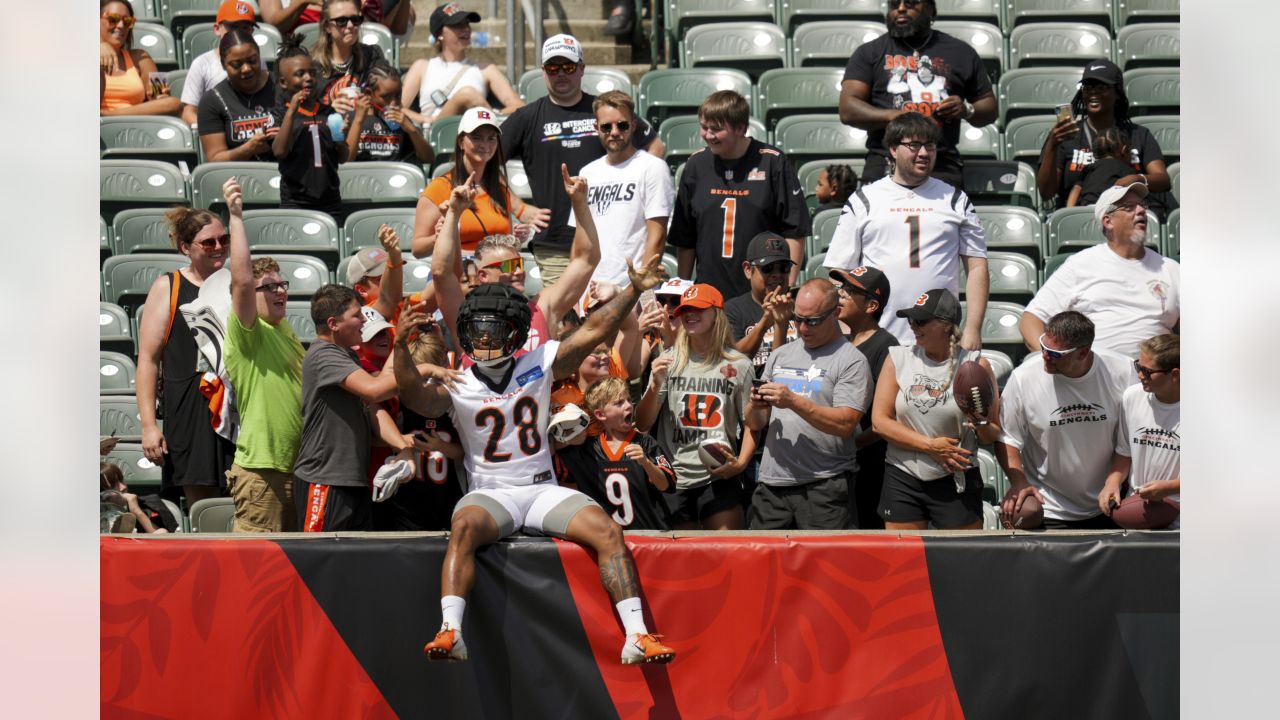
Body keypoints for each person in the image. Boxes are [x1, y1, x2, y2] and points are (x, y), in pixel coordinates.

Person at [392, 223, 676, 665]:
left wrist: (632, 292)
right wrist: (399, 346)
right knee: (463, 527)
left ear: (515, 330)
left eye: (492, 329)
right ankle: (451, 629)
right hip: (491, 492)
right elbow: (414, 396)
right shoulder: (458, 379)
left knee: (607, 531)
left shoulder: (539, 361)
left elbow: (594, 329)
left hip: (542, 487)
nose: (482, 339)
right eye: (476, 329)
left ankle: (637, 634)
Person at [501, 34, 664, 286]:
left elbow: (655, 147)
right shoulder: (526, 117)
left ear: (582, 69)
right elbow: (484, 165)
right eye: (553, 68)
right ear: (543, 72)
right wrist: (520, 207)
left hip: (606, 243)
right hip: (556, 243)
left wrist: (627, 193)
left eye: (568, 67)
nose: (561, 74)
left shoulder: (605, 111)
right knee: (564, 322)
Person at [825, 112, 988, 348]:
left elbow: (977, 266)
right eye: (914, 145)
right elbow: (840, 270)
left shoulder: (955, 199)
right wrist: (844, 327)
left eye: (929, 145)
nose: (923, 153)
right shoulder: (864, 199)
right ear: (893, 149)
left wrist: (973, 328)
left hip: (938, 338)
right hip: (875, 337)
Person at [293, 285, 430, 531]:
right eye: (357, 315)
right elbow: (375, 390)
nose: (364, 319)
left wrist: (402, 446)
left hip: (352, 481)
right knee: (324, 562)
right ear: (333, 324)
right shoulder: (323, 355)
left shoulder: (346, 355)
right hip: (324, 480)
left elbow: (373, 409)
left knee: (354, 563)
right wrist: (425, 369)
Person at [431, 164, 600, 353]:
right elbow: (440, 272)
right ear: (483, 275)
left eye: (519, 264)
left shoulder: (541, 309)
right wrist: (454, 213)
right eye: (509, 266)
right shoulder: (465, 315)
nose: (520, 272)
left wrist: (579, 203)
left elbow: (586, 260)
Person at [745, 279, 872, 529]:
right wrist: (757, 407)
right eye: (798, 319)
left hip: (824, 485)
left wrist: (792, 401)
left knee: (828, 566)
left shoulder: (851, 361)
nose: (803, 328)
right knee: (765, 565)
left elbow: (845, 424)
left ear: (836, 313)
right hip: (773, 483)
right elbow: (755, 423)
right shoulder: (781, 354)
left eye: (812, 320)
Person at [871, 288, 1000, 530]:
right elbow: (880, 422)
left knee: (961, 562)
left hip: (955, 476)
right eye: (910, 320)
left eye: (920, 321)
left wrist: (980, 420)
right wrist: (930, 446)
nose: (913, 327)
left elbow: (992, 434)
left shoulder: (975, 364)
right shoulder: (899, 358)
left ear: (945, 325)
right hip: (903, 473)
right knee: (903, 561)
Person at [135, 206, 236, 508]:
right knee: (206, 510)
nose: (219, 247)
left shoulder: (239, 284)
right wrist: (149, 426)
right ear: (185, 248)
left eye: (224, 239)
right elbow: (148, 360)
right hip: (191, 410)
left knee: (244, 507)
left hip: (238, 405)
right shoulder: (169, 286)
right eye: (208, 242)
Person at [838, 0, 996, 188]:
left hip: (942, 165)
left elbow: (989, 108)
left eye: (911, 3)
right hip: (885, 163)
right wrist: (897, 116)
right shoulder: (870, 52)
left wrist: (966, 109)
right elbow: (848, 109)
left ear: (931, 10)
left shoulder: (960, 52)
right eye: (894, 4)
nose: (901, 8)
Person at [668, 90, 810, 299]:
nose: (708, 135)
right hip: (709, 292)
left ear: (740, 128)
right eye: (704, 127)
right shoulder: (696, 165)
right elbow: (686, 236)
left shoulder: (772, 162)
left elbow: (794, 230)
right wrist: (683, 286)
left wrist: (786, 285)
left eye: (716, 129)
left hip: (761, 293)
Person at [635, 284, 755, 530]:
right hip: (674, 476)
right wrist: (656, 384)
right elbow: (643, 423)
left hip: (719, 475)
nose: (689, 315)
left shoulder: (739, 365)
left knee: (725, 556)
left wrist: (741, 463)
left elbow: (753, 423)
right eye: (685, 310)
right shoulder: (667, 361)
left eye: (698, 309)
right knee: (682, 562)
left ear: (717, 314)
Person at [223, 176, 306, 532]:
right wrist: (237, 218)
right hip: (261, 474)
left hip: (295, 470)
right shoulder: (248, 334)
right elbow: (242, 280)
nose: (280, 292)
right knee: (257, 577)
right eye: (268, 287)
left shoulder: (285, 329)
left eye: (282, 284)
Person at [998, 311, 1132, 530]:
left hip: (1109, 499)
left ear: (1083, 353)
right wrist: (1019, 482)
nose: (1044, 356)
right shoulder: (1024, 378)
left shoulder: (1122, 370)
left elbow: (1129, 437)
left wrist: (1114, 479)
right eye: (1043, 347)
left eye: (1055, 354)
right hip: (1049, 504)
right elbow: (1007, 437)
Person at [1020, 183, 1180, 359]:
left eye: (1143, 205)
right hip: (1094, 376)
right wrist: (1055, 360)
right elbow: (1031, 319)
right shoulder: (1081, 264)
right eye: (1129, 207)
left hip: (1155, 378)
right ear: (1108, 221)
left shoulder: (1170, 269)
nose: (1141, 210)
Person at [1036, 58, 1175, 218]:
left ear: (1117, 93)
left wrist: (1135, 179)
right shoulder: (1065, 136)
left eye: (1102, 87)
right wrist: (1052, 145)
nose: (1093, 93)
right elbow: (1046, 193)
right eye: (1088, 87)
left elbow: (1163, 180)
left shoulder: (1138, 135)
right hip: (1080, 218)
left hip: (1128, 216)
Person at [569, 91, 674, 290]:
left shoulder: (653, 168)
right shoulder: (587, 173)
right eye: (606, 127)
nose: (614, 132)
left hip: (629, 289)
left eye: (622, 125)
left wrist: (637, 291)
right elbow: (579, 239)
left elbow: (657, 237)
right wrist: (574, 290)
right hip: (589, 289)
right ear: (596, 128)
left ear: (633, 125)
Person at [374, 315, 468, 531]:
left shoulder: (455, 395)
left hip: (447, 498)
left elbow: (465, 452)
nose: (425, 384)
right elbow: (380, 386)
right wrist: (400, 444)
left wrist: (441, 447)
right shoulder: (399, 398)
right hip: (409, 501)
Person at [412, 107, 547, 257]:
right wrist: (440, 236)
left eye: (491, 138)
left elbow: (500, 244)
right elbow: (418, 250)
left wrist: (514, 239)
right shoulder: (440, 187)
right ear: (461, 142)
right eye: (476, 137)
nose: (485, 145)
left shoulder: (500, 188)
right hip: (459, 272)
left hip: (496, 272)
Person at [555, 377, 677, 530]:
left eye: (628, 400)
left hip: (650, 536)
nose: (628, 406)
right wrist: (567, 439)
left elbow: (666, 485)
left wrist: (646, 463)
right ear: (600, 415)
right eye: (619, 403)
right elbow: (559, 469)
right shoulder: (587, 450)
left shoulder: (645, 443)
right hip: (608, 539)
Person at [831, 266, 898, 529]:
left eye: (850, 291)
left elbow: (888, 419)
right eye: (841, 287)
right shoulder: (836, 341)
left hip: (870, 467)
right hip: (836, 466)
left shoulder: (886, 346)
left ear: (871, 305)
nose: (841, 295)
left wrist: (853, 444)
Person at [1100, 333, 1180, 529]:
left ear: (1175, 374)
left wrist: (1170, 488)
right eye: (1138, 366)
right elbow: (1124, 452)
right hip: (1140, 508)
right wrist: (1113, 481)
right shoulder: (1132, 397)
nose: (1140, 375)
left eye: (1147, 371)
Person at [400, 3, 524, 127]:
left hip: (475, 135)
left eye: (466, 24)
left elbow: (518, 106)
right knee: (467, 94)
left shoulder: (485, 69)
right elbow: (398, 108)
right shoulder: (422, 67)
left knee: (467, 95)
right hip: (434, 136)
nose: (466, 29)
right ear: (440, 34)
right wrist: (427, 120)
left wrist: (492, 113)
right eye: (457, 25)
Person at [272, 35, 348, 221]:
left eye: (312, 73)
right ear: (283, 82)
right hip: (295, 201)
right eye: (300, 74)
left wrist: (340, 139)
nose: (308, 78)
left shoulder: (329, 112)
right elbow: (279, 151)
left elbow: (343, 157)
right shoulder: (280, 114)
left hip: (330, 200)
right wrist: (292, 112)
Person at [179, 1, 268, 126]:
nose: (239, 32)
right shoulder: (202, 63)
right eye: (233, 27)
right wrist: (215, 132)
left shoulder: (258, 61)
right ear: (217, 29)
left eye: (245, 28)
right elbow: (188, 112)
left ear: (252, 31)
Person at [197, 29, 278, 163]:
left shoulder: (282, 86)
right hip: (240, 178)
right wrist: (248, 149)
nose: (246, 69)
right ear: (223, 65)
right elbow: (215, 158)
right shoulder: (212, 100)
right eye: (236, 65)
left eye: (252, 60)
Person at [724, 232, 797, 377]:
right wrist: (764, 324)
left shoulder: (803, 305)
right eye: (768, 268)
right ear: (747, 270)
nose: (777, 274)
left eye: (783, 267)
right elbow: (732, 364)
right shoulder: (733, 309)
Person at [99, 0, 181, 117]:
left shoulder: (141, 57)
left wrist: (158, 96)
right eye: (113, 19)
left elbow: (162, 96)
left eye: (127, 21)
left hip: (135, 126)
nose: (121, 25)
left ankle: (108, 115)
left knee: (174, 103)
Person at [344, 61, 435, 163]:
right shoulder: (351, 119)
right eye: (386, 97)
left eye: (398, 96)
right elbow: (347, 161)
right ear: (369, 93)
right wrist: (358, 120)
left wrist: (412, 130)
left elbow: (429, 159)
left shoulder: (403, 122)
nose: (393, 103)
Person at [311, 0, 388, 115]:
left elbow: (386, 98)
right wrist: (329, 110)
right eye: (341, 21)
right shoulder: (312, 67)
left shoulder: (372, 55)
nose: (350, 25)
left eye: (355, 19)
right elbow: (302, 114)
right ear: (327, 27)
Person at [1066, 126, 1130, 208]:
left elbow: (1077, 188)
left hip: (1086, 208)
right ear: (1125, 150)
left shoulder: (1089, 168)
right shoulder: (1126, 169)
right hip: (1110, 209)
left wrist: (1069, 210)